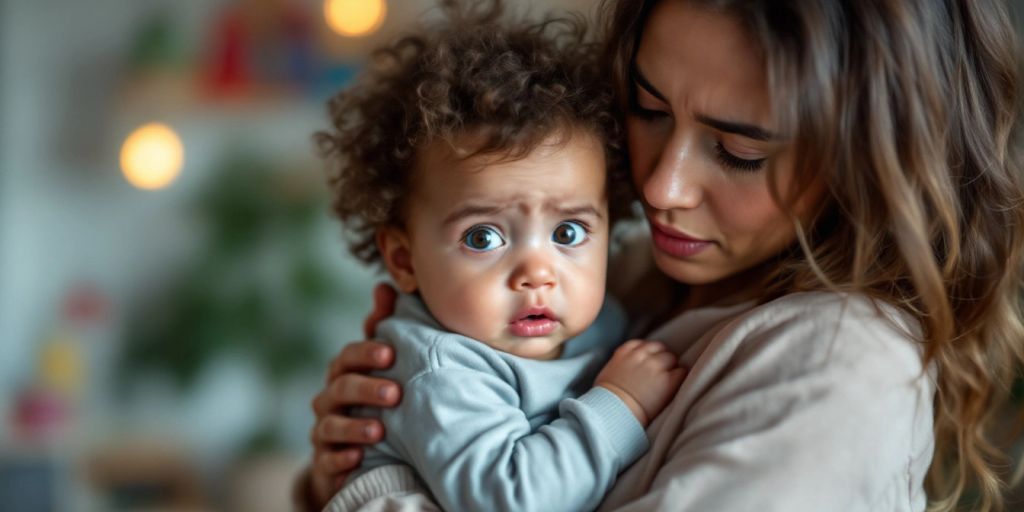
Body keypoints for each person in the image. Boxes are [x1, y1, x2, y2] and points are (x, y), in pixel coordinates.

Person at [300, 0, 1024, 510]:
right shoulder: (631, 281)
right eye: (647, 111)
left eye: (738, 151)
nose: (657, 186)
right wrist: (357, 450)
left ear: (867, 159)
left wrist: (374, 495)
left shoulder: (839, 364)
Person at [308, 2, 686, 510]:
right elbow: (512, 500)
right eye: (483, 238)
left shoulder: (608, 317)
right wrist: (622, 404)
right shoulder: (444, 372)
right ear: (403, 260)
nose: (538, 273)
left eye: (569, 232)